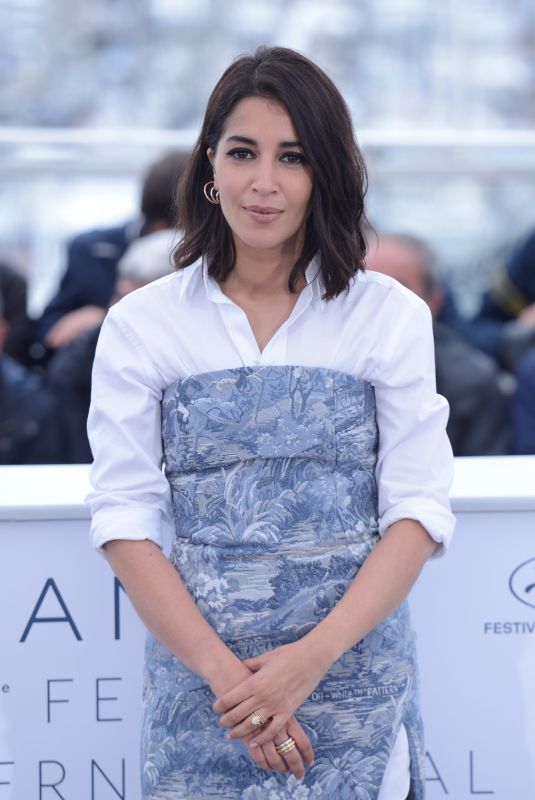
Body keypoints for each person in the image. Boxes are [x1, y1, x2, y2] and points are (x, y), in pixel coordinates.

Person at [87, 46, 455, 800]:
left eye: (291, 157)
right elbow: (125, 518)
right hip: (204, 694)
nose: (264, 183)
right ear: (209, 166)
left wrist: (306, 662)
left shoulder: (387, 317)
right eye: (242, 152)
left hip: (351, 680)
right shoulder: (141, 326)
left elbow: (416, 509)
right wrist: (234, 686)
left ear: (324, 172)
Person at [367, 232, 512, 456]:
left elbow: (483, 480)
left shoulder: (472, 382)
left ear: (434, 302)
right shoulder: (307, 360)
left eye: (397, 290)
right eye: (363, 287)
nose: (376, 303)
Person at [35, 150, 187, 352]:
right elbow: (46, 335)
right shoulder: (93, 251)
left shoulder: (217, 257)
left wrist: (107, 317)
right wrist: (98, 323)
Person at [47, 229, 177, 463]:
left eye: (137, 303)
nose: (121, 310)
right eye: (118, 296)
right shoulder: (85, 357)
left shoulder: (205, 355)